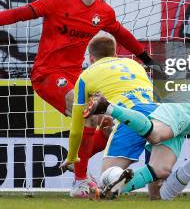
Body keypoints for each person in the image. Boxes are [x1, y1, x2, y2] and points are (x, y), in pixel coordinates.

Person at [0, 0, 162, 197]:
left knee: (104, 124)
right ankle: (79, 182)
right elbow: (21, 14)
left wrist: (147, 60)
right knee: (87, 111)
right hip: (47, 73)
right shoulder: (57, 1)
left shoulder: (104, 11)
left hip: (77, 74)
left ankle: (78, 165)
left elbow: (122, 34)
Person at [59, 35, 165, 198]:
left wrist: (72, 156)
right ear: (115, 54)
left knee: (107, 180)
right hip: (162, 117)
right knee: (156, 191)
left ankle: (116, 177)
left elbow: (77, 127)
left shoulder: (86, 76)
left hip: (130, 118)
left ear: (91, 58)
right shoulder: (135, 65)